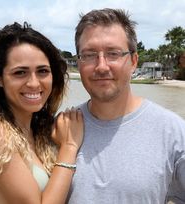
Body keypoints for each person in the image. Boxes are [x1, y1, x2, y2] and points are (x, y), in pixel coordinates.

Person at [67, 8, 185, 204]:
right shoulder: (61, 128)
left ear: (133, 61)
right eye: (89, 55)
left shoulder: (172, 131)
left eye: (113, 53)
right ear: (78, 63)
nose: (102, 66)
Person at [0, 22, 83, 204]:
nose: (34, 83)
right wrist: (69, 147)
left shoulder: (40, 131)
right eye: (20, 72)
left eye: (43, 71)